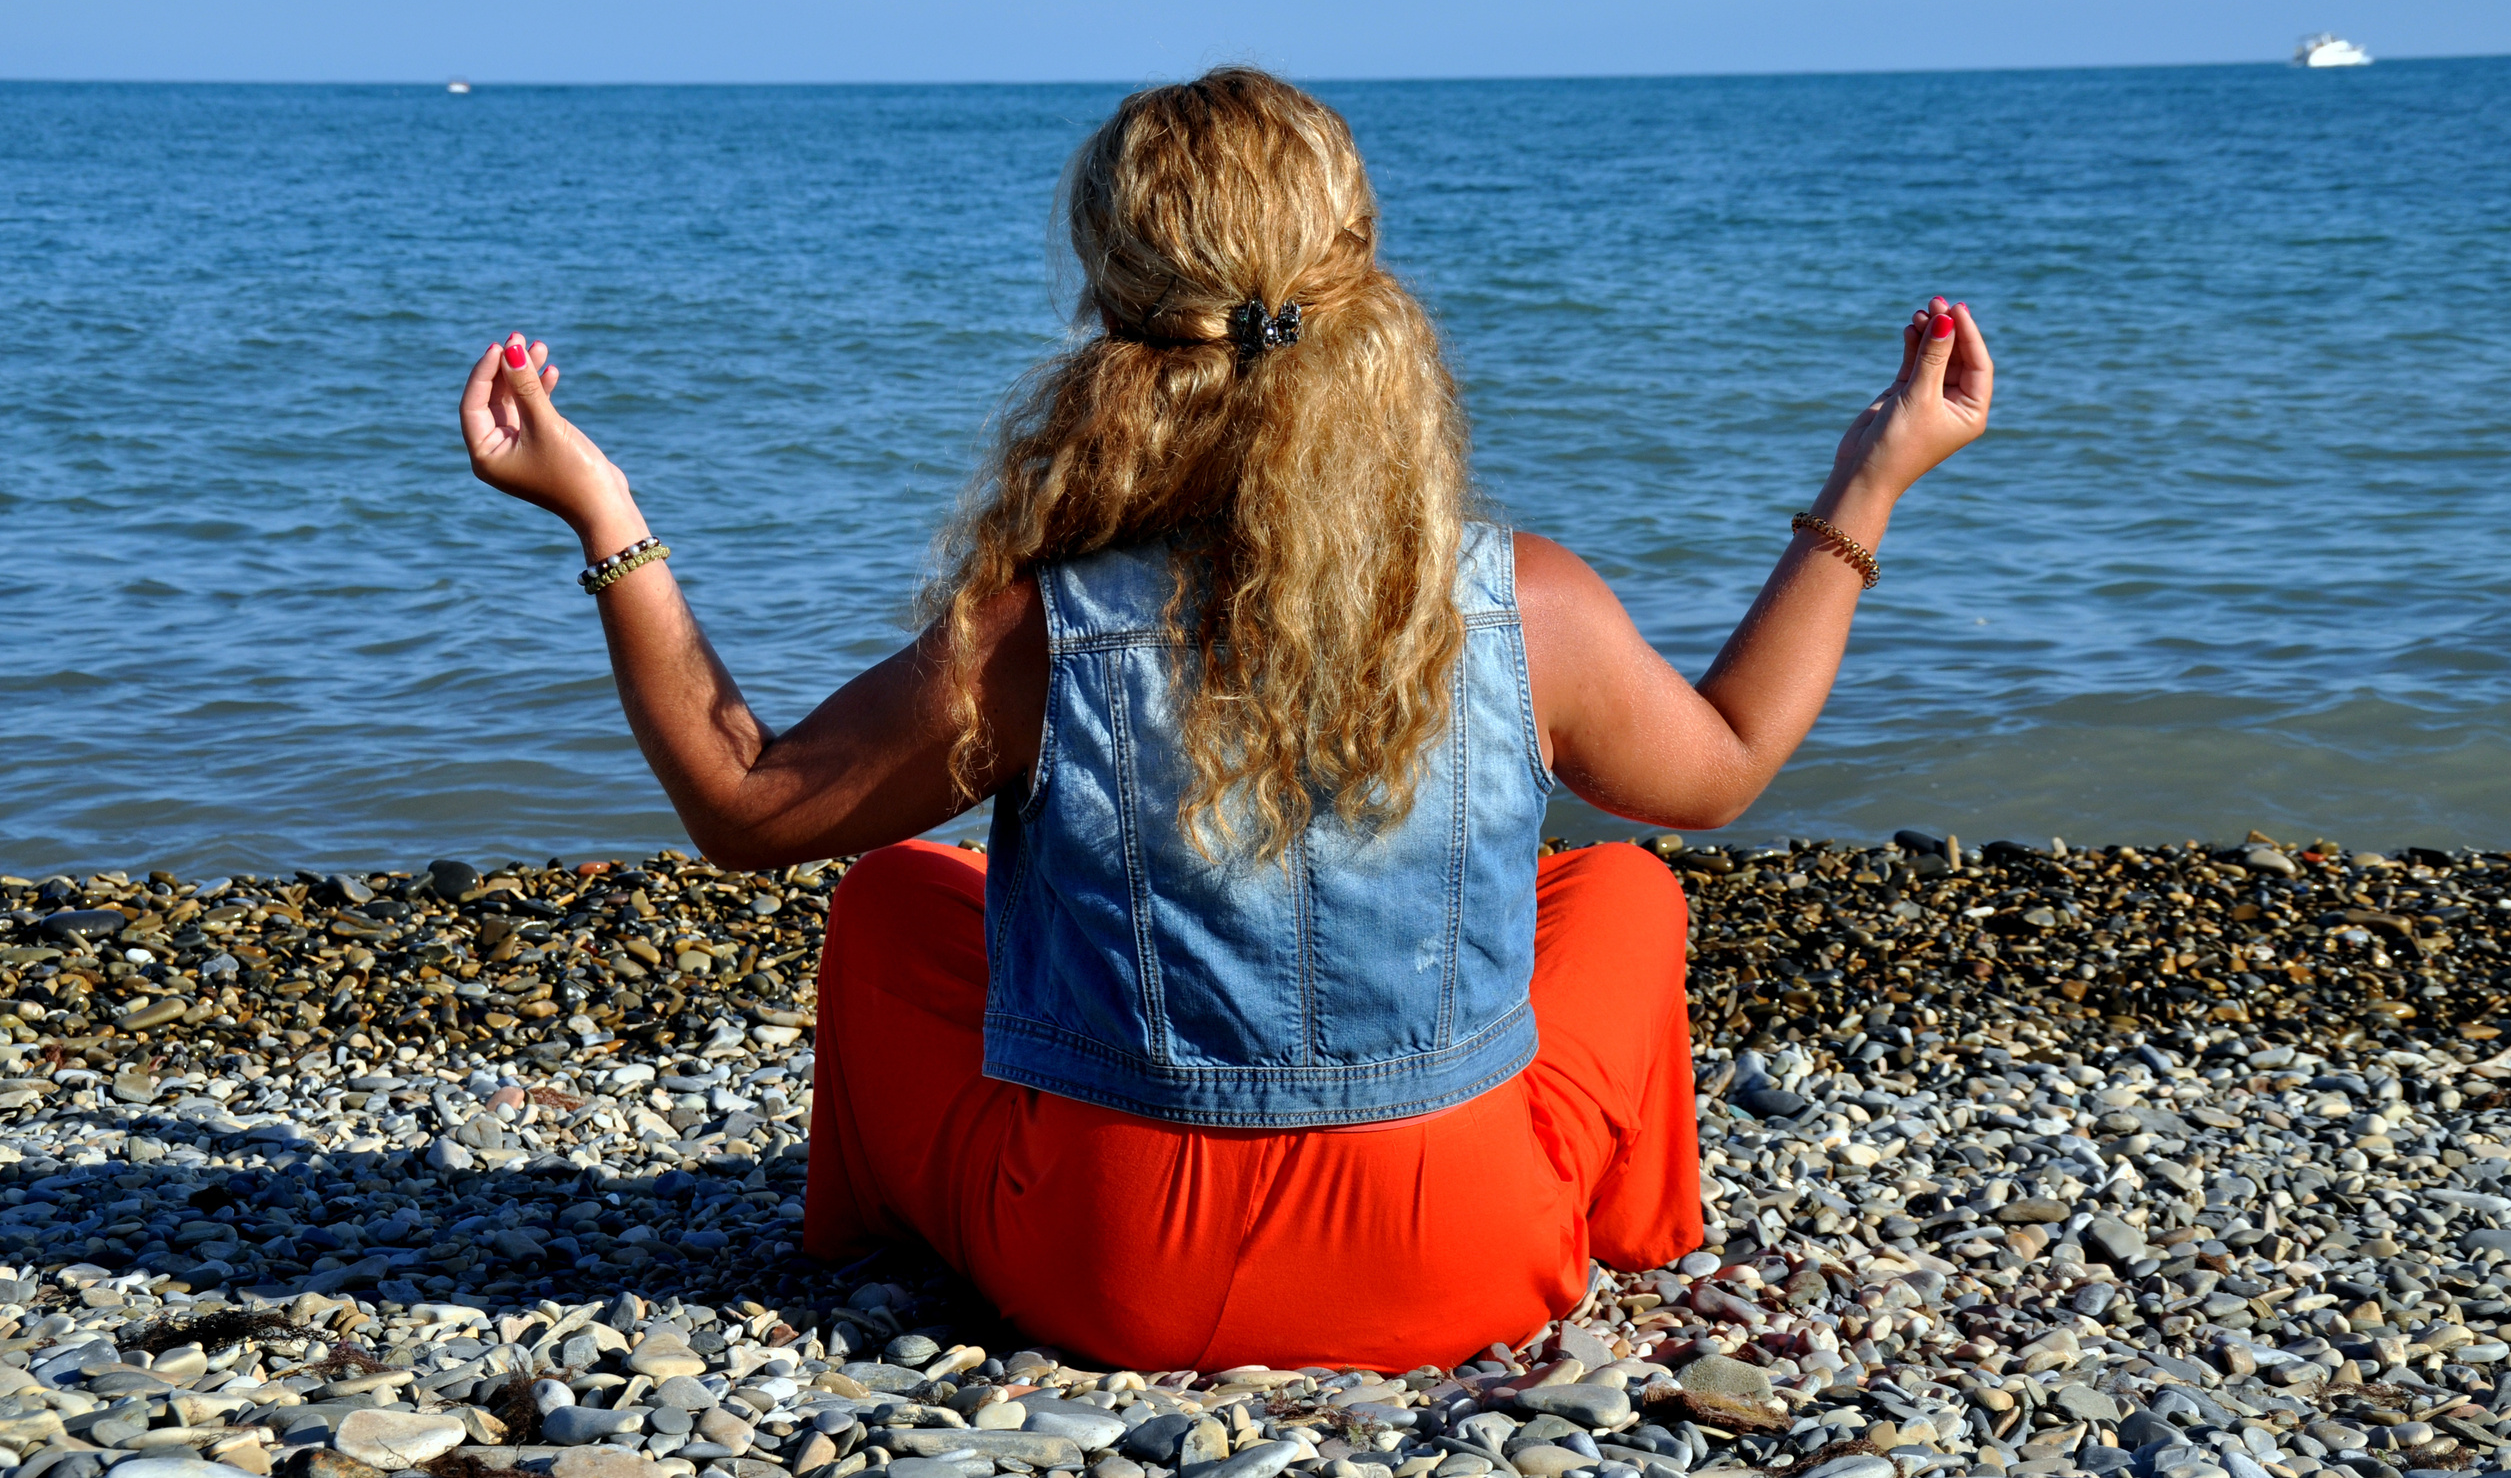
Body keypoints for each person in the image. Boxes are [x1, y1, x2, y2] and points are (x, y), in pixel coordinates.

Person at [458, 67, 1992, 1371]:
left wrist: (605, 517)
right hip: (1468, 1256)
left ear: (1113, 316)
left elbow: (746, 807)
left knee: (887, 906)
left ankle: (869, 1248)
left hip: (1115, 1270)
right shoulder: (1529, 604)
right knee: (1633, 892)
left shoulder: (1038, 632)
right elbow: (1720, 767)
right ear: (1365, 283)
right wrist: (1872, 481)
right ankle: (1635, 1235)